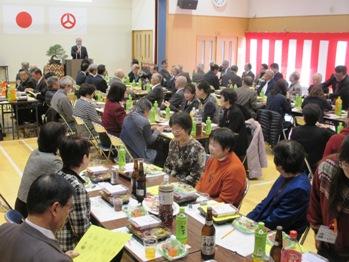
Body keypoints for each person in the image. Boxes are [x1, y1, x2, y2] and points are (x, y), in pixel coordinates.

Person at [0, 174, 77, 261]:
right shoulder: (56, 259)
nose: (69, 213)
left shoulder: (4, 229)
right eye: (69, 208)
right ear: (55, 208)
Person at [248, 140, 311, 234]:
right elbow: (266, 201)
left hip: (281, 234)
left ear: (280, 165)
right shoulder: (287, 174)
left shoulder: (299, 189)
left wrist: (256, 227)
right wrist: (248, 219)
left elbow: (279, 220)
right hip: (267, 223)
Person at [308, 136, 349, 261]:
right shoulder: (327, 168)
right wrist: (317, 231)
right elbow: (315, 203)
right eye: (347, 164)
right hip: (328, 240)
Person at [15, 122, 66, 217]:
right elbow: (65, 186)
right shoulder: (54, 161)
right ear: (59, 141)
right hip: (31, 212)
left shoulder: (35, 152)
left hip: (20, 205)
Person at [56, 136, 91, 252]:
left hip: (55, 240)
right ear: (84, 158)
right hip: (70, 247)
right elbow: (81, 231)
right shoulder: (76, 187)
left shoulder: (57, 174)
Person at [196, 128, 247, 205]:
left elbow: (225, 201)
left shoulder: (234, 170)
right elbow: (202, 180)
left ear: (227, 148)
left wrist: (201, 203)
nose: (210, 148)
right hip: (202, 199)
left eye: (214, 145)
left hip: (216, 208)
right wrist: (195, 194)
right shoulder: (214, 158)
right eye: (210, 143)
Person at [163, 112, 206, 186]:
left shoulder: (197, 148)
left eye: (177, 129)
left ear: (187, 129)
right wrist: (166, 179)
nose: (174, 132)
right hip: (171, 182)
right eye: (172, 129)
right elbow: (168, 165)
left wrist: (175, 184)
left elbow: (195, 177)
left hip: (186, 187)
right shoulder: (173, 142)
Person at [289, 104, 334, 172]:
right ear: (318, 117)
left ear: (303, 117)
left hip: (298, 162)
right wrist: (326, 127)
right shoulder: (324, 132)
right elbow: (336, 137)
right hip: (315, 164)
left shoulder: (295, 130)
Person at [120, 98, 163, 163]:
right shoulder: (144, 121)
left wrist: (150, 128)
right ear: (146, 110)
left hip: (126, 149)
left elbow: (135, 129)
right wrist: (157, 131)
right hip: (138, 154)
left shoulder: (127, 116)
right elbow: (150, 141)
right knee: (162, 149)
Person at [219, 88, 248, 160]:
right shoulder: (227, 109)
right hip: (229, 140)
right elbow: (222, 125)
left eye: (221, 97)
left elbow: (230, 131)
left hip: (236, 144)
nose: (220, 99)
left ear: (227, 100)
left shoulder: (235, 112)